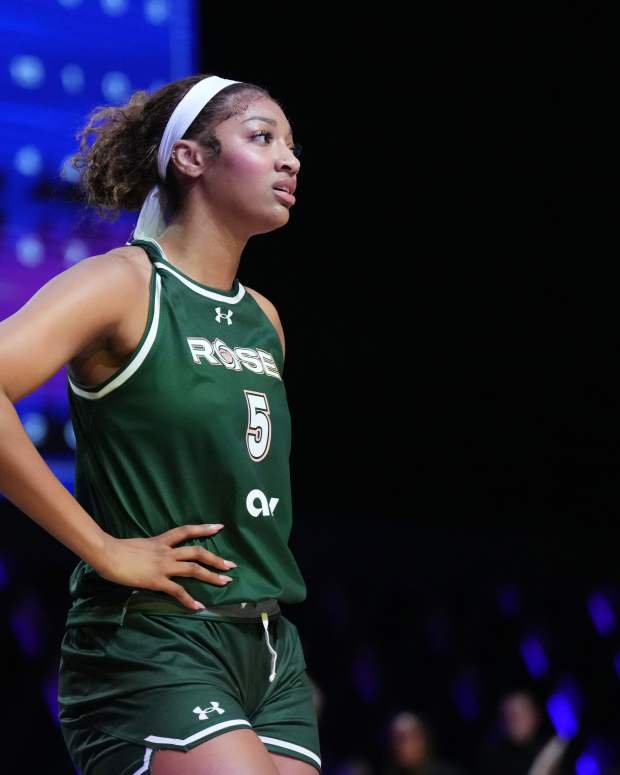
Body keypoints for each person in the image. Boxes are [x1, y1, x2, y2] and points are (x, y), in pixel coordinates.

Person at [0, 73, 320, 775]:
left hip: (269, 648)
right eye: (263, 138)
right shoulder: (122, 284)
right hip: (150, 639)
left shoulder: (263, 319)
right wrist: (104, 548)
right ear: (191, 158)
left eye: (292, 146)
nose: (290, 160)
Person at [382, 712, 464, 775]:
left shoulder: (447, 772)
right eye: (398, 740)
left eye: (413, 737)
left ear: (423, 741)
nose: (405, 746)